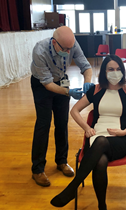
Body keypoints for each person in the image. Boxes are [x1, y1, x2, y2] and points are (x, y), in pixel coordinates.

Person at [50, 54, 126, 210]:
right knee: (100, 159)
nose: (115, 72)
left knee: (101, 143)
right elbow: (74, 110)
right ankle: (102, 208)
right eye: (110, 69)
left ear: (122, 71)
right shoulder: (96, 90)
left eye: (118, 69)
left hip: (119, 139)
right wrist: (85, 127)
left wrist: (123, 131)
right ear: (104, 72)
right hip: (96, 137)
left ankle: (72, 188)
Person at [31, 26, 94, 187]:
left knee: (62, 123)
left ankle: (61, 161)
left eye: (70, 48)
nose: (68, 51)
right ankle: (37, 169)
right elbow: (47, 84)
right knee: (43, 125)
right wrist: (68, 92)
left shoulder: (72, 44)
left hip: (61, 79)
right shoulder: (40, 50)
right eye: (64, 48)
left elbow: (86, 66)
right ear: (54, 43)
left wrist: (87, 82)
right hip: (42, 84)